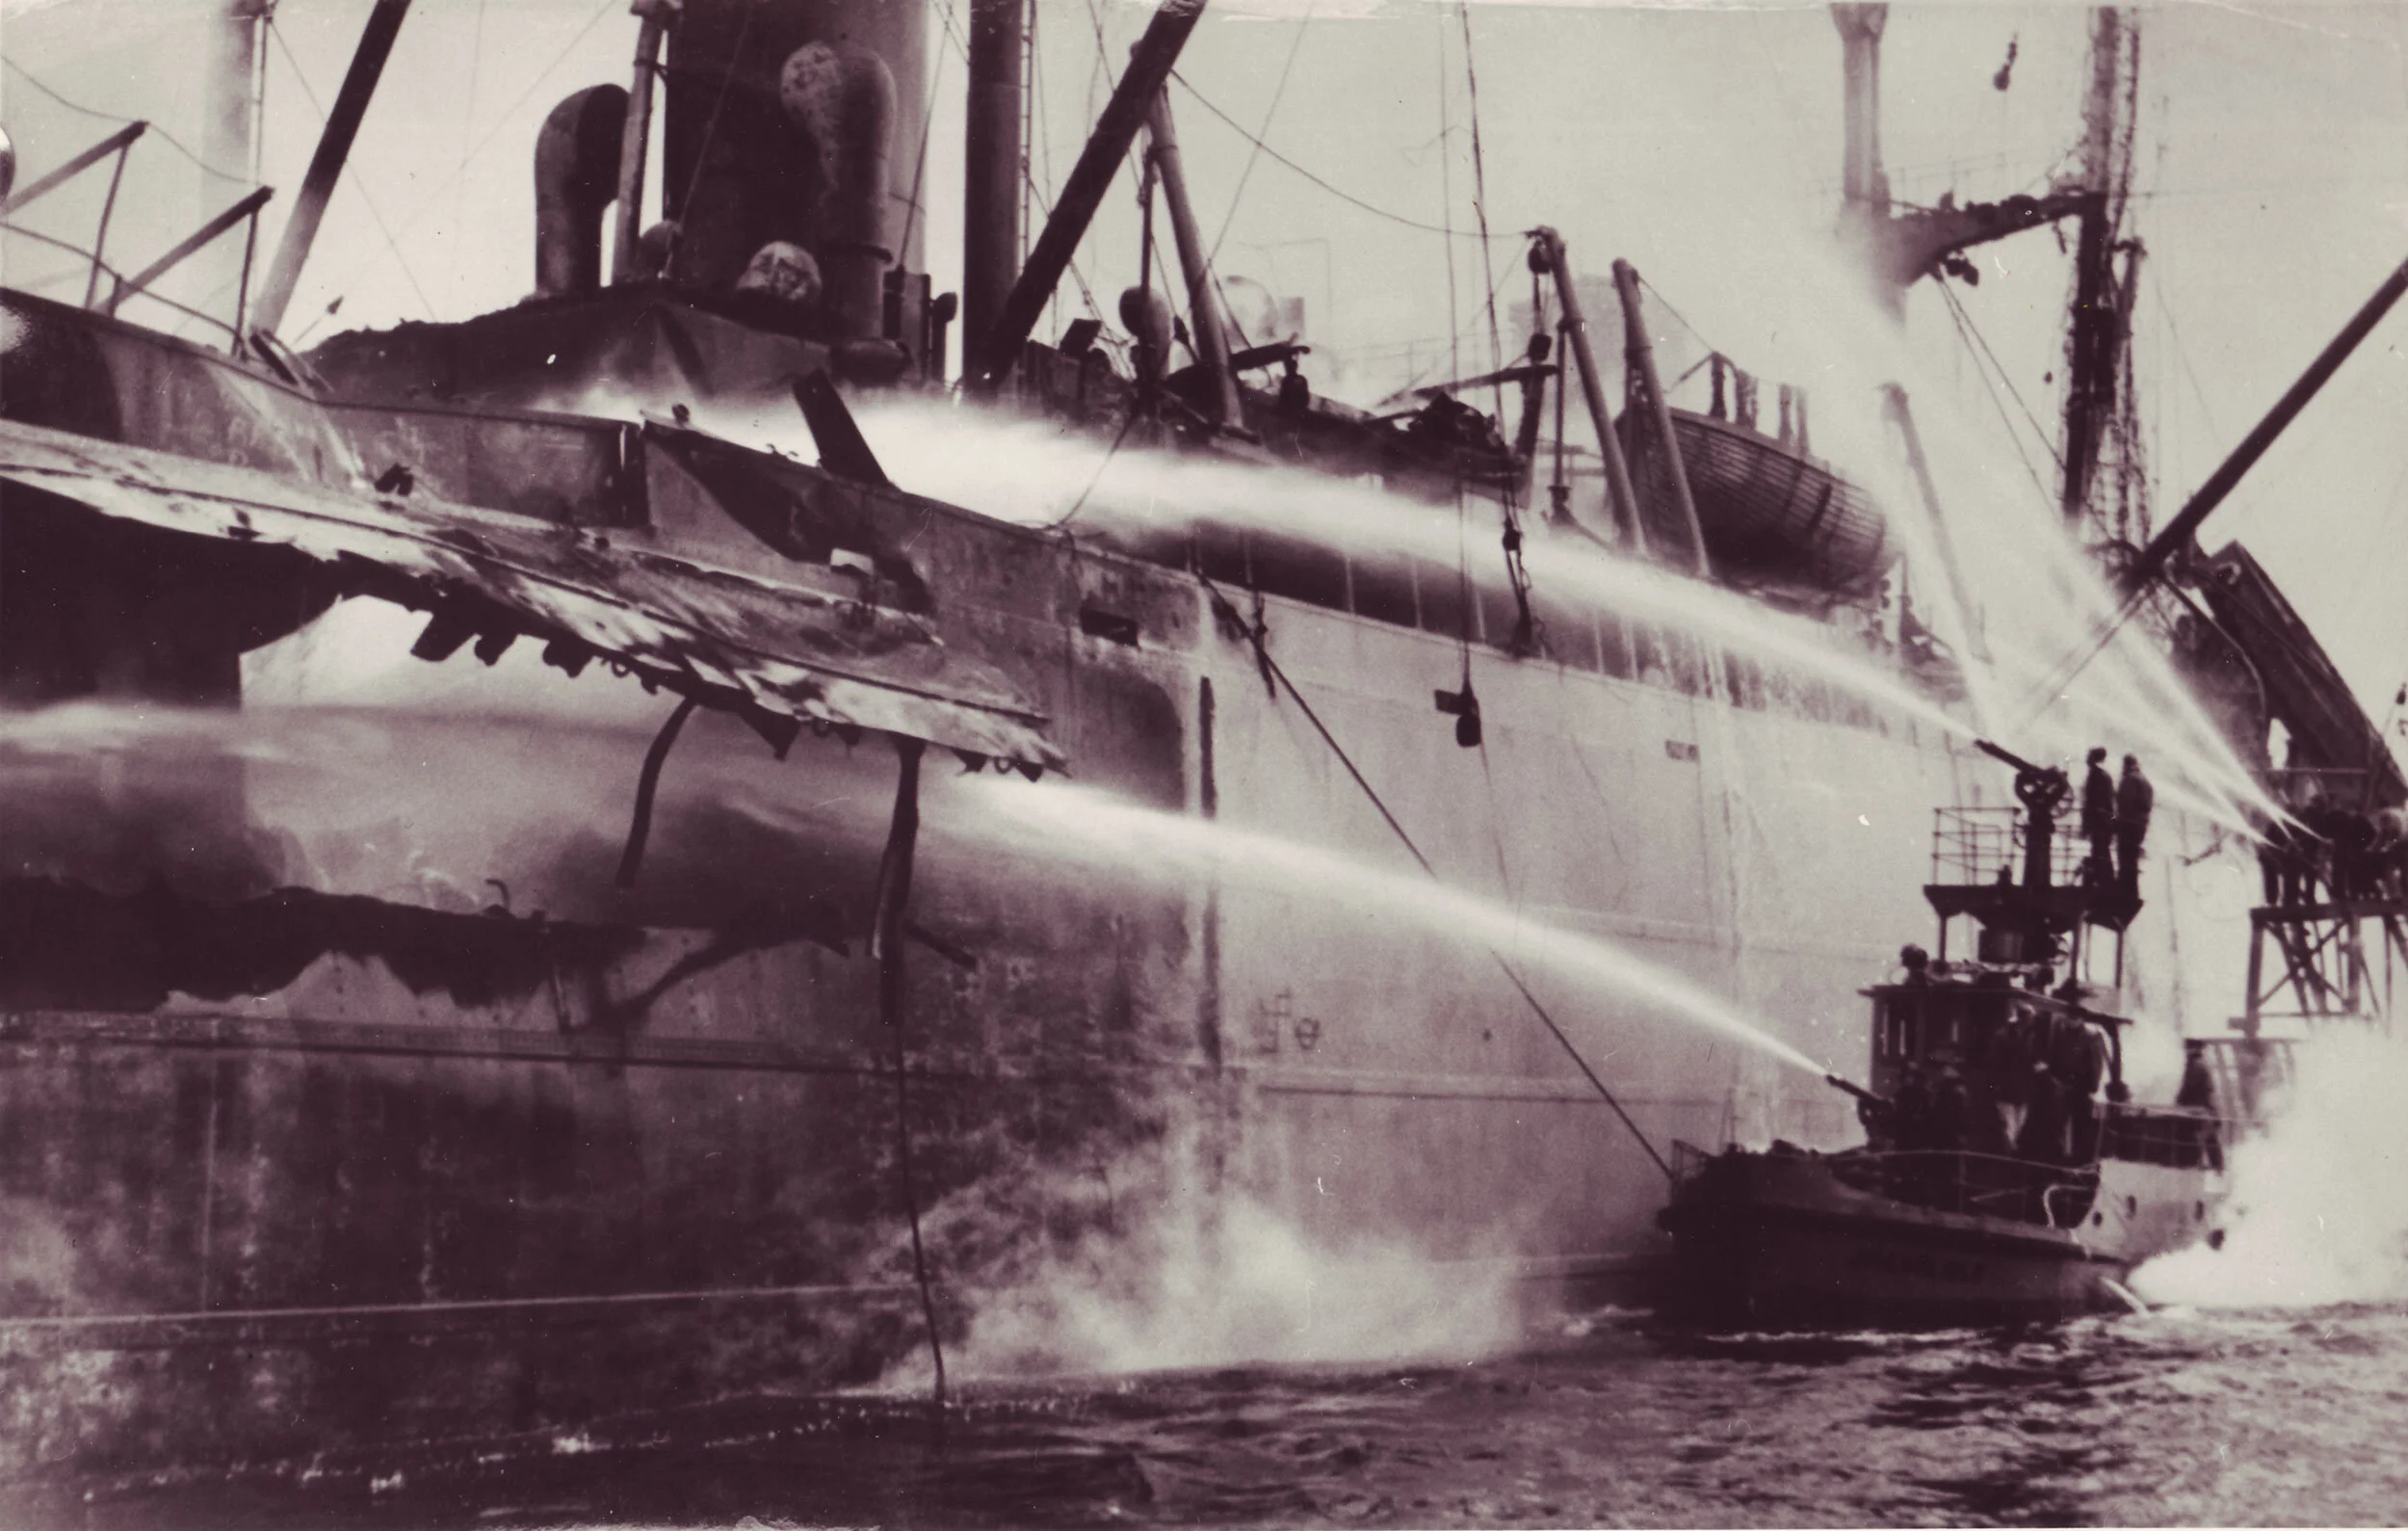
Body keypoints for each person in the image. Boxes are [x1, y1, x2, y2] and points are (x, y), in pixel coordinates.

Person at [2115, 754, 2154, 896]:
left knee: (2125, 859)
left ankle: (2125, 891)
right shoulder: (2144, 780)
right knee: (2132, 859)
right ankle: (2132, 892)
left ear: (2126, 765)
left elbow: (2124, 803)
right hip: (2140, 825)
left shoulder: (2130, 779)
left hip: (2129, 825)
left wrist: (2115, 821)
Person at [2081, 747, 2117, 887]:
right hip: (2103, 820)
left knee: (2100, 851)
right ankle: (2105, 881)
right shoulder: (2103, 776)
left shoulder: (2096, 776)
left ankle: (2105, 882)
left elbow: (2092, 802)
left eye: (2089, 756)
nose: (2086, 759)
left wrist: (2086, 823)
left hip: (2099, 820)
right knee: (2101, 851)